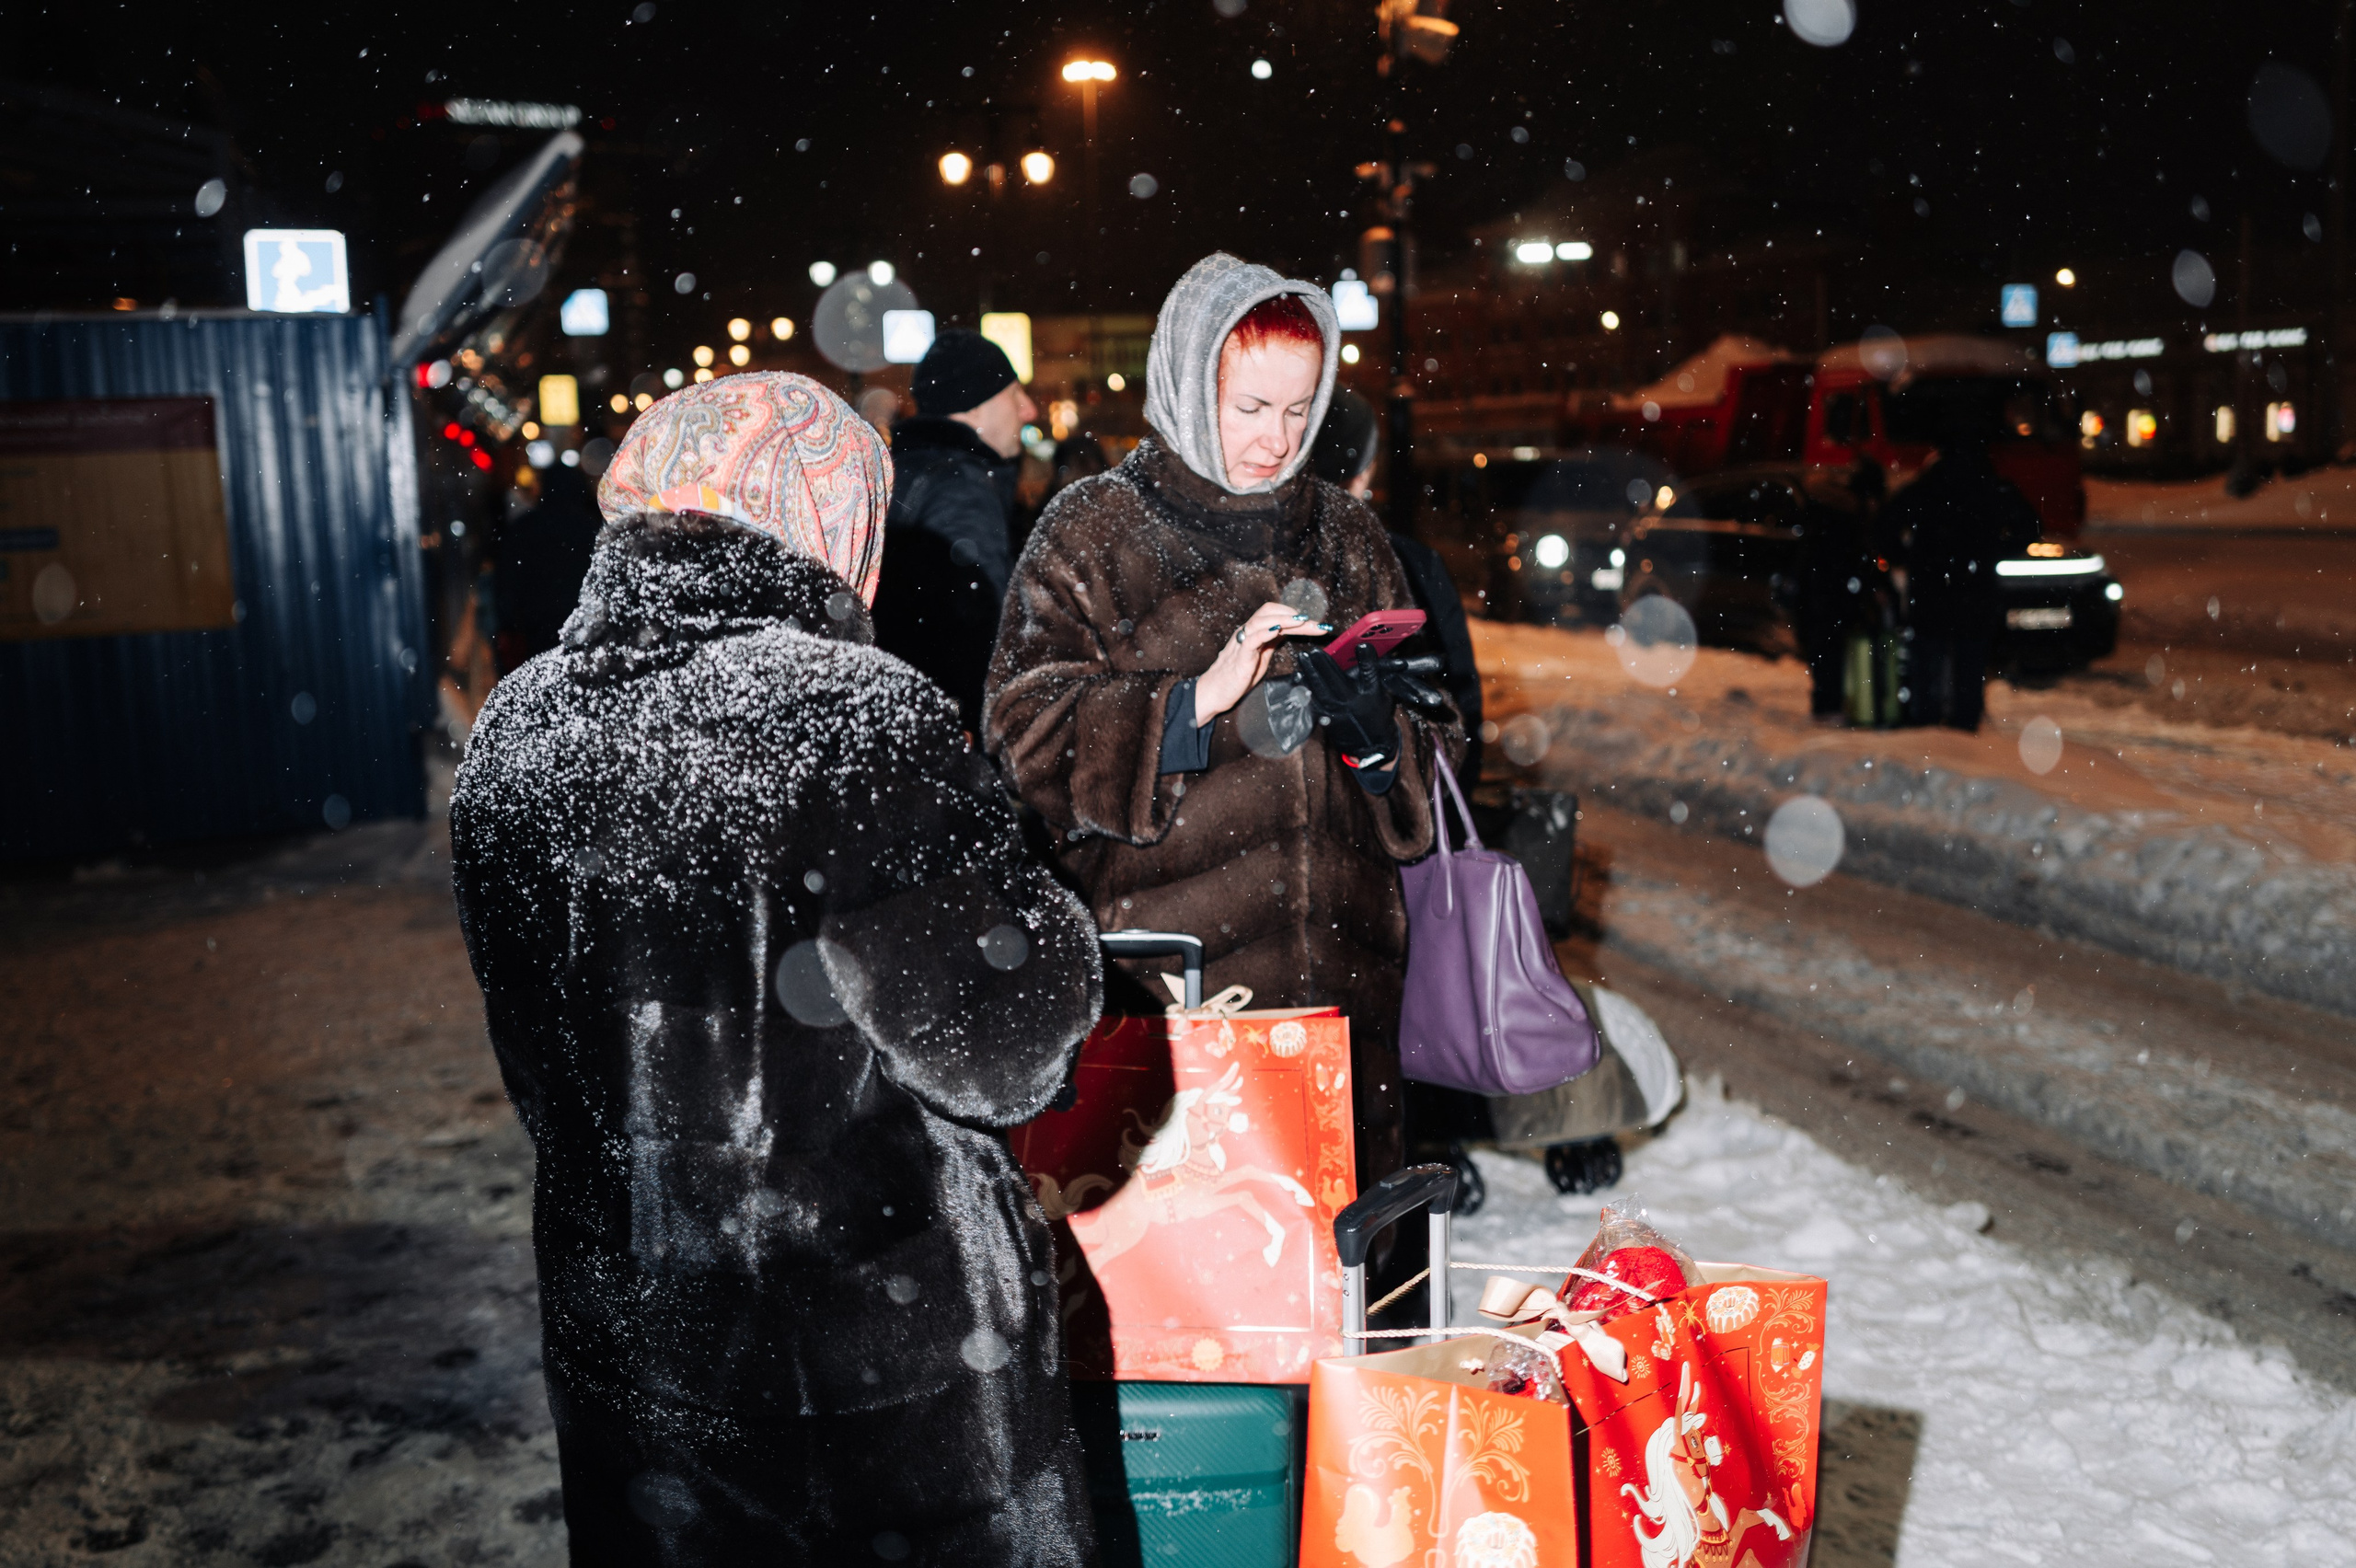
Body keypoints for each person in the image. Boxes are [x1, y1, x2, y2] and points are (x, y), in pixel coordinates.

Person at [450, 373, 1103, 1566]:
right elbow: (1008, 1052)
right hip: (891, 1378)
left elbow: (539, 1066)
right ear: (829, 521)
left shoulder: (517, 731)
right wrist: (1042, 913)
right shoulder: (857, 718)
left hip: (645, 1358)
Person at [984, 252, 1464, 1203]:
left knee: (1334, 1278)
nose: (1277, 441)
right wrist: (1189, 705)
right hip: (1169, 998)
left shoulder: (1348, 534)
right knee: (1193, 1298)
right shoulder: (1092, 532)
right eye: (1250, 409)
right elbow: (1023, 737)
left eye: (1299, 410)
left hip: (1343, 1000)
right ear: (1185, 381)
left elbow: (1434, 745)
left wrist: (1382, 741)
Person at [1309, 387, 1484, 781]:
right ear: (1368, 467)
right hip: (1402, 814)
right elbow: (1460, 697)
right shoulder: (1411, 563)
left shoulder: (1263, 558)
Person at [870, 329, 1036, 731]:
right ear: (974, 407)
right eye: (1015, 395)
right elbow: (985, 639)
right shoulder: (962, 487)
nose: (1028, 410)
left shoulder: (900, 472)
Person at [1877, 418, 2041, 731]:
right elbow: (2029, 526)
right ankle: (1964, 726)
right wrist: (1993, 551)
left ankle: (1926, 723)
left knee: (1927, 659)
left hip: (1931, 587)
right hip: (1974, 587)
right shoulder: (1992, 485)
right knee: (1970, 661)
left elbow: (1884, 527)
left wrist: (1909, 558)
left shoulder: (1927, 486)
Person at [492, 461, 604, 670]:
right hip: (583, 627)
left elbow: (507, 580)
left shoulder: (523, 528)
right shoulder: (592, 529)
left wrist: (509, 622)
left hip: (535, 628)